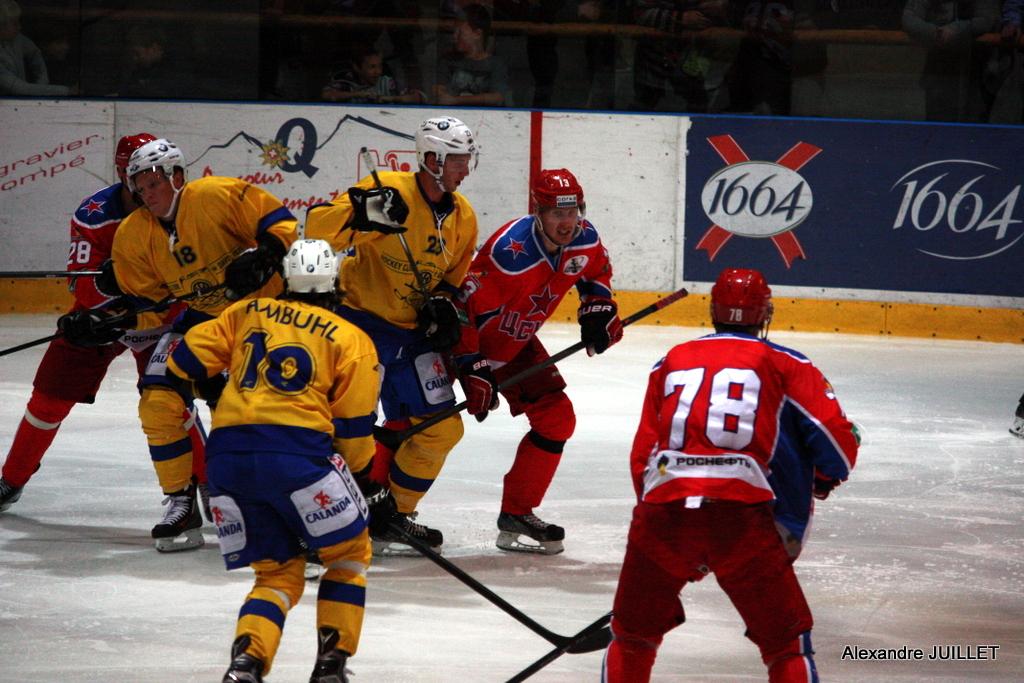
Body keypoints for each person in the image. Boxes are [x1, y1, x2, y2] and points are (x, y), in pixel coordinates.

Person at [602, 267, 859, 682]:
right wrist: (825, 476)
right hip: (741, 519)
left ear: (712, 310)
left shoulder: (671, 360)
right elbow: (837, 447)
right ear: (766, 312)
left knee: (633, 636)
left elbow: (643, 457)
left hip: (664, 513)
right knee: (785, 645)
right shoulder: (785, 362)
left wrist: (675, 541)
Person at [165, 239, 394, 683]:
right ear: (336, 283)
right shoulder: (353, 339)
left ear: (286, 279)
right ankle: (331, 666)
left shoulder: (248, 312)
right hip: (298, 456)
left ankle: (246, 665)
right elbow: (354, 432)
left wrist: (207, 389)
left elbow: (184, 363)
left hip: (227, 461)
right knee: (348, 555)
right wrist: (362, 481)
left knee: (275, 573)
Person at [56, 138, 298, 553]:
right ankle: (182, 503)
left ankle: (271, 503)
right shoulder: (134, 235)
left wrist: (267, 253)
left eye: (153, 182)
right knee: (158, 398)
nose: (146, 193)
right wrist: (105, 320)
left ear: (178, 176)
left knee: (243, 410)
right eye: (139, 186)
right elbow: (150, 307)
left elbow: (280, 222)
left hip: (263, 315)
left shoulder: (214, 195)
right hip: (202, 321)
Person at [0, 133, 207, 515]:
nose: (152, 185)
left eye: (160, 174)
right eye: (142, 176)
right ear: (124, 174)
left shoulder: (190, 209)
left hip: (163, 319)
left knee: (172, 402)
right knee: (48, 397)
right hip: (104, 319)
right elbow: (81, 278)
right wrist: (104, 312)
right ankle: (12, 478)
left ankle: (210, 484)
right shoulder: (95, 213)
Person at [305, 116, 480, 554]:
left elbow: (451, 281)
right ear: (432, 159)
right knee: (348, 429)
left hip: (414, 335)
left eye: (467, 158)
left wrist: (441, 303)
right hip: (361, 325)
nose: (465, 168)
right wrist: (361, 212)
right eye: (457, 159)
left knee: (441, 429)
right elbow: (315, 229)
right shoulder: (386, 189)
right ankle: (325, 520)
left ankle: (394, 517)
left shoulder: (463, 216)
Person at [451, 168, 622, 554]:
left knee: (557, 417)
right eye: (557, 214)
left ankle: (517, 512)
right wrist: (470, 364)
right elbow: (460, 308)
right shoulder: (510, 254)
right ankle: (376, 508)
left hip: (515, 341)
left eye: (573, 212)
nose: (567, 223)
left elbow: (597, 272)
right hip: (464, 344)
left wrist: (598, 307)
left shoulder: (586, 240)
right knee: (422, 423)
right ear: (538, 213)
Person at [902, 0, 1000, 122]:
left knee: (973, 121)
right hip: (938, 69)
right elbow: (909, 18)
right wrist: (936, 33)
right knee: (937, 122)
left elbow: (987, 19)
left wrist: (956, 29)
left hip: (975, 70)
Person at [434, 4, 510, 106]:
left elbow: (497, 97)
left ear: (477, 34)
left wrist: (457, 100)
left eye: (460, 32)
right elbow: (438, 91)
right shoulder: (448, 61)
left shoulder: (496, 64)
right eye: (454, 31)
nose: (454, 36)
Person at [0, 0, 72, 96]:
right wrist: (66, 91)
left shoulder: (17, 39)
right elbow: (19, 88)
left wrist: (42, 82)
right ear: (1, 26)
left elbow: (35, 53)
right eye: (15, 23)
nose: (19, 27)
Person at [321, 44, 424, 103]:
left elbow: (419, 97)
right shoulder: (347, 81)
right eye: (372, 67)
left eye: (380, 66)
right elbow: (326, 95)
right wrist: (358, 94)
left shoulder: (388, 82)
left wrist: (391, 98)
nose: (378, 72)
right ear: (357, 67)